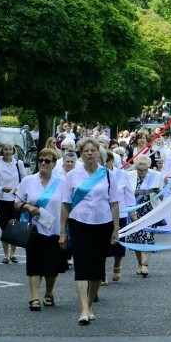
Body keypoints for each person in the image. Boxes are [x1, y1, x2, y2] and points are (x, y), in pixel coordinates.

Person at [58, 137, 119, 325]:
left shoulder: (108, 175)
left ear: (98, 153)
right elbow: (65, 205)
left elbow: (114, 203)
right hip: (79, 223)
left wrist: (115, 228)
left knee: (97, 269)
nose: (90, 154)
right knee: (82, 266)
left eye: (93, 150)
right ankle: (83, 308)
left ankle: (90, 303)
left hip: (103, 223)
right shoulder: (72, 176)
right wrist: (62, 232)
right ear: (81, 154)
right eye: (86, 151)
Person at [13, 148, 68, 311]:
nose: (43, 163)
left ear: (54, 164)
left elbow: (67, 206)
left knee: (52, 266)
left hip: (55, 230)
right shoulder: (28, 181)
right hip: (34, 230)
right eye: (40, 160)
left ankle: (49, 294)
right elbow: (16, 203)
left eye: (47, 161)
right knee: (34, 264)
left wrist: (65, 232)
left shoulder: (62, 183)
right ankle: (34, 298)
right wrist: (28, 207)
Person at [124, 154, 162, 277]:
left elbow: (162, 195)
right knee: (135, 238)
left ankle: (145, 266)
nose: (141, 172)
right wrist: (133, 194)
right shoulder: (129, 175)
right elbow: (125, 193)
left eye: (144, 170)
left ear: (149, 167)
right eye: (139, 170)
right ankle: (140, 263)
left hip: (150, 210)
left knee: (147, 236)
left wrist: (158, 191)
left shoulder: (157, 175)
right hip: (133, 210)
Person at [0, 141, 27, 264]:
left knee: (14, 227)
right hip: (2, 200)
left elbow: (24, 180)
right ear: (2, 151)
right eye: (6, 149)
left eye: (10, 149)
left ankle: (13, 253)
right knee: (4, 227)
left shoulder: (19, 164)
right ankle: (6, 255)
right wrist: (2, 189)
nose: (8, 152)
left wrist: (19, 189)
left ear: (13, 151)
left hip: (16, 199)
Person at [105, 147, 136, 283]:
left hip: (120, 213)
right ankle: (100, 272)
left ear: (112, 161)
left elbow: (129, 193)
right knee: (102, 243)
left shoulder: (122, 174)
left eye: (107, 160)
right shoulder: (97, 175)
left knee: (118, 243)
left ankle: (117, 265)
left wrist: (132, 212)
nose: (104, 163)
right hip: (102, 214)